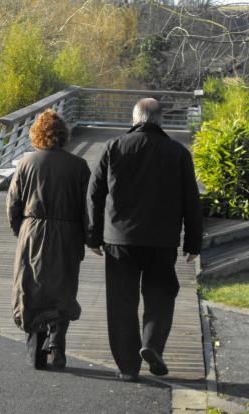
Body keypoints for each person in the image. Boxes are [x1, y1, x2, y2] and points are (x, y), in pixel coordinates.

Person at [86, 98, 203, 382]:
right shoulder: (178, 153)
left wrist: (92, 236)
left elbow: (94, 194)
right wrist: (193, 243)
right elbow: (192, 200)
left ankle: (128, 367)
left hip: (119, 241)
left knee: (121, 303)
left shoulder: (113, 148)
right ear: (160, 121)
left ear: (134, 119)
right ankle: (151, 345)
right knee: (161, 295)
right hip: (161, 241)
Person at [7, 109, 90, 370]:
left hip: (33, 229)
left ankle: (36, 351)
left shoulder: (25, 164)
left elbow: (13, 205)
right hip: (68, 233)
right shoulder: (79, 166)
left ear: (37, 135)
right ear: (64, 135)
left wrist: (20, 230)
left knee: (31, 287)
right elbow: (87, 207)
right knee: (63, 288)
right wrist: (87, 237)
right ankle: (57, 342)